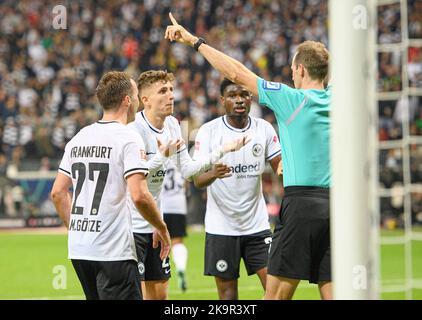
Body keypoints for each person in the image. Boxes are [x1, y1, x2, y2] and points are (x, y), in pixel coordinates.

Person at [165, 13, 332, 300]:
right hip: (336, 206)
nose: (291, 75)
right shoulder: (340, 98)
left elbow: (236, 73)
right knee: (332, 289)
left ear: (301, 70)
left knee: (275, 295)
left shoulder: (291, 99)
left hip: (301, 203)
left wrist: (194, 41)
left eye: (293, 70)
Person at [128, 70, 250, 300]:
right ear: (145, 100)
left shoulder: (173, 125)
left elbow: (189, 170)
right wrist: (162, 155)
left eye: (171, 90)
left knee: (161, 295)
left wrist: (223, 150)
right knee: (138, 294)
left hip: (154, 223)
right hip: (130, 226)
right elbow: (137, 176)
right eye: (163, 91)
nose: (171, 96)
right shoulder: (134, 129)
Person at [50, 71, 171, 300]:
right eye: (135, 95)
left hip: (80, 249)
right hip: (113, 251)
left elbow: (58, 193)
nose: (137, 101)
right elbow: (139, 196)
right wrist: (161, 227)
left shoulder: (79, 138)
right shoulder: (128, 138)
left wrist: (75, 227)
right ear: (127, 100)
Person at [192, 78, 282, 300]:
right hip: (221, 228)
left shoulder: (263, 128)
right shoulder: (209, 131)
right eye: (232, 95)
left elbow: (280, 168)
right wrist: (214, 173)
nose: (239, 100)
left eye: (244, 94)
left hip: (257, 225)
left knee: (276, 291)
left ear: (250, 98)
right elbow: (197, 180)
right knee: (228, 296)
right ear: (222, 100)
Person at [161, 163, 189, 292]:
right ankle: (181, 267)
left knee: (159, 243)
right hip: (179, 205)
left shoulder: (159, 152)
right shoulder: (180, 155)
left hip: (161, 206)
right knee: (177, 241)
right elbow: (187, 180)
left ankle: (161, 275)